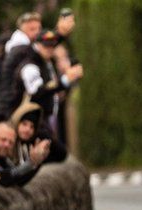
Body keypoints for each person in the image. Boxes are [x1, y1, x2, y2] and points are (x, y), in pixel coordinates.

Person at [6, 31, 83, 131]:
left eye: (52, 46)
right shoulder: (31, 66)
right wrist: (64, 80)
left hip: (44, 119)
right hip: (31, 123)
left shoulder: (46, 63)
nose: (50, 49)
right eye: (46, 46)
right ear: (37, 45)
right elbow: (37, 91)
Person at [0, 12, 43, 118]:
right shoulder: (21, 49)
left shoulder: (30, 47)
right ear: (23, 29)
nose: (37, 32)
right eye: (32, 29)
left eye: (39, 28)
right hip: (15, 104)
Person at [10, 101, 66, 166]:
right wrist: (32, 162)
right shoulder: (8, 143)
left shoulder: (34, 141)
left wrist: (39, 159)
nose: (28, 129)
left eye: (32, 127)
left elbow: (62, 153)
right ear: (17, 122)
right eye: (24, 124)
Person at [52, 8, 78, 142]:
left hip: (66, 86)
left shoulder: (69, 39)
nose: (70, 24)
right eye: (68, 20)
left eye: (72, 20)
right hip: (58, 87)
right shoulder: (55, 39)